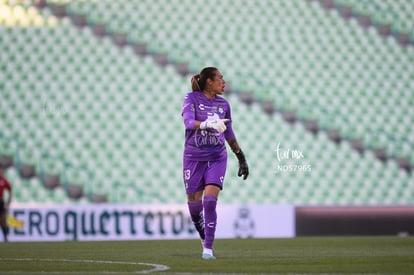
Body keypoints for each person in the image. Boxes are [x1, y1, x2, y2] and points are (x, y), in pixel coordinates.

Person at [181, 67, 249, 259]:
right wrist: (207, 124)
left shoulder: (224, 105)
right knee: (195, 211)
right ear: (209, 81)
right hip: (193, 159)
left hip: (216, 157)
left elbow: (228, 132)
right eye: (220, 78)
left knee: (209, 202)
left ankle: (208, 248)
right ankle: (204, 236)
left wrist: (240, 155)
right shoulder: (191, 98)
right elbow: (188, 122)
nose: (224, 82)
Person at [0, 164, 12, 242]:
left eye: (1, 170)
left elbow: (10, 190)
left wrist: (8, 202)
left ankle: (5, 238)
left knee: (2, 220)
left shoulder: (3, 181)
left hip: (0, 202)